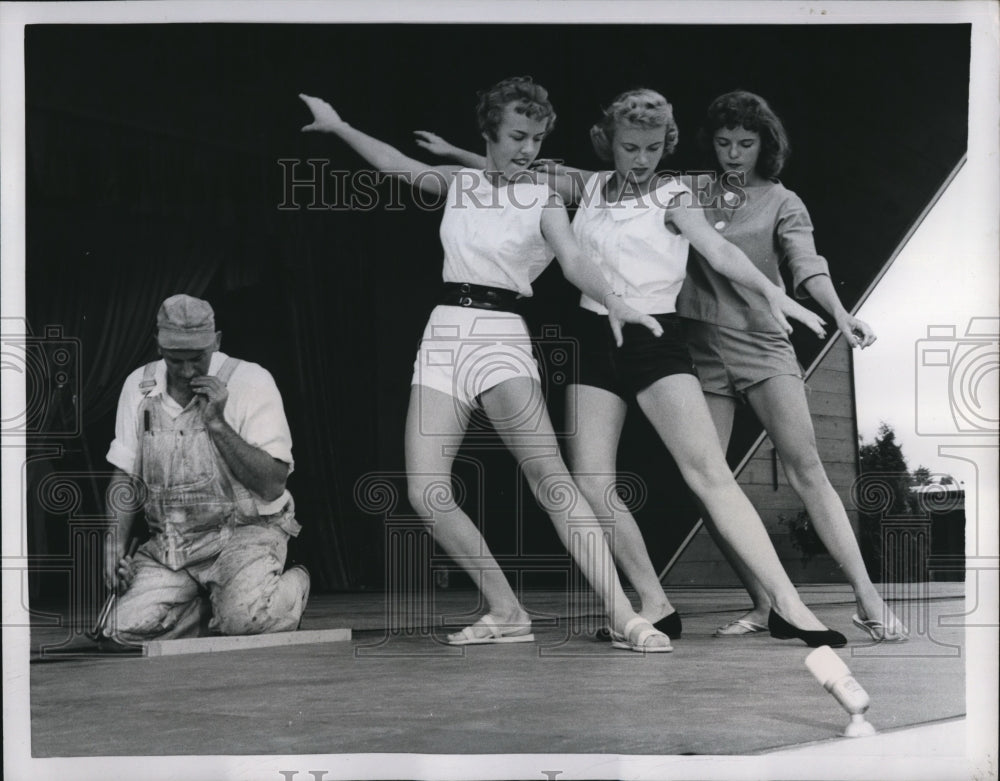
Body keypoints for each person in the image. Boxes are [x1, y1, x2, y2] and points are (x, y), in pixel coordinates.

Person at [415, 89, 849, 648]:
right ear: (608, 143)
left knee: (708, 475)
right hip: (595, 342)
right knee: (593, 485)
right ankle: (654, 602)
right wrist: (455, 148)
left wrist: (772, 291)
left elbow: (719, 255)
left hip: (654, 340)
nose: (641, 159)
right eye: (629, 147)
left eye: (652, 147)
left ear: (665, 145)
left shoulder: (673, 195)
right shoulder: (589, 185)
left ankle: (789, 606)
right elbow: (508, 170)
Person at [299, 77, 674, 651]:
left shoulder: (543, 197)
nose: (528, 149)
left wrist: (616, 300)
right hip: (444, 335)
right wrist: (338, 125)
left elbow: (573, 258)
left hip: (502, 338)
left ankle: (626, 615)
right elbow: (397, 165)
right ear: (490, 134)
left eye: (537, 137)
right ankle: (506, 609)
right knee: (426, 492)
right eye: (517, 136)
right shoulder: (461, 184)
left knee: (551, 481)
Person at [674, 90, 907, 642]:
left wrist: (840, 313)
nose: (734, 154)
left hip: (763, 345)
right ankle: (766, 604)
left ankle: (868, 601)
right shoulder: (688, 191)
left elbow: (806, 265)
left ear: (765, 145)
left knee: (808, 472)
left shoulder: (783, 201)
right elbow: (596, 180)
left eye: (746, 144)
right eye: (725, 143)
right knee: (706, 483)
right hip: (700, 348)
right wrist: (484, 165)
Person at [102, 294, 310, 646]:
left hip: (243, 537)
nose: (186, 372)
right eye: (174, 360)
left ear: (216, 341)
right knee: (120, 631)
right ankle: (213, 605)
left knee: (249, 622)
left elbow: (273, 486)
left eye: (197, 359)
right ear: (158, 346)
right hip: (172, 544)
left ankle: (293, 583)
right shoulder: (139, 388)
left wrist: (218, 424)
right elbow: (125, 476)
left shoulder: (251, 381)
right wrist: (113, 546)